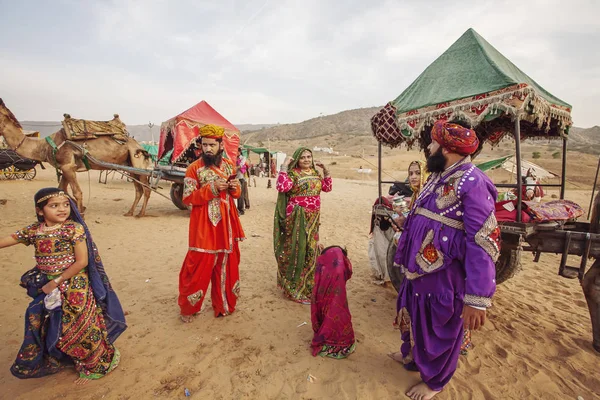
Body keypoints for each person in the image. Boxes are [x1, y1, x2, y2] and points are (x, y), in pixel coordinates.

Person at [392, 120, 500, 400]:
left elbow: (483, 241)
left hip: (445, 272)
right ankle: (416, 358)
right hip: (420, 268)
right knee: (418, 316)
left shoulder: (474, 181)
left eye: (433, 143)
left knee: (440, 325)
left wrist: (477, 298)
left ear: (447, 148)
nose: (428, 147)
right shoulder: (440, 175)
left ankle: (435, 382)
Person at [0, 188, 126, 383]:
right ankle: (63, 357)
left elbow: (82, 261)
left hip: (75, 283)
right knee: (47, 321)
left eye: (66, 204)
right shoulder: (34, 230)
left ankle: (95, 364)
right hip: (50, 284)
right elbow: (10, 239)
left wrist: (56, 282)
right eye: (54, 206)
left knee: (81, 324)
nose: (62, 209)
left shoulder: (73, 229)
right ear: (40, 210)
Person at [178, 124, 245, 323]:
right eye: (205, 145)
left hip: (227, 225)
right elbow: (188, 198)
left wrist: (235, 188)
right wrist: (212, 189)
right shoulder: (193, 169)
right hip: (204, 227)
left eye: (212, 145)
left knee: (226, 264)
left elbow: (236, 194)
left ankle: (224, 306)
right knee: (199, 266)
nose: (208, 149)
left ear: (220, 145)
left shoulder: (228, 166)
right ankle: (189, 309)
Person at [273, 147, 332, 304]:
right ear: (297, 160)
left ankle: (308, 287)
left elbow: (327, 188)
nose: (306, 160)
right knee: (296, 251)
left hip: (313, 218)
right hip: (297, 218)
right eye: (303, 157)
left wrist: (326, 170)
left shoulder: (315, 173)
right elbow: (282, 187)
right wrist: (284, 166)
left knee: (311, 251)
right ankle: (293, 289)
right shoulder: (293, 174)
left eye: (309, 157)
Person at [311, 246, 355, 358]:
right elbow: (349, 271)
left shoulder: (324, 275)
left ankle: (328, 340)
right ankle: (336, 342)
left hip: (327, 295)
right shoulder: (340, 269)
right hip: (347, 341)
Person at [236, 147, 250, 215]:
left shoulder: (243, 158)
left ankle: (241, 209)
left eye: (237, 152)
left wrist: (235, 168)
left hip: (242, 178)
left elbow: (241, 165)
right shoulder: (234, 158)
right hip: (236, 178)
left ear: (239, 152)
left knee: (241, 194)